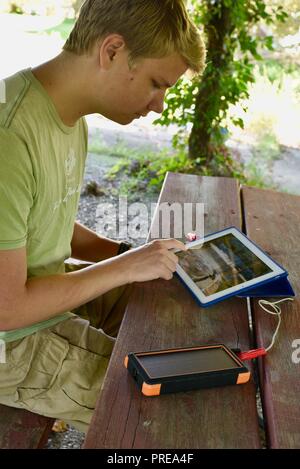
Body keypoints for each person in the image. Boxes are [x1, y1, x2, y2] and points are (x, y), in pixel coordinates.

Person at [0, 0, 206, 432]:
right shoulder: (10, 136)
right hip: (10, 339)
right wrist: (125, 267)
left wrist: (130, 254)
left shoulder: (71, 117)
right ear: (112, 51)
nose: (159, 105)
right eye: (156, 83)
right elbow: (7, 308)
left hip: (39, 293)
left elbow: (43, 219)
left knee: (174, 308)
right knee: (165, 412)